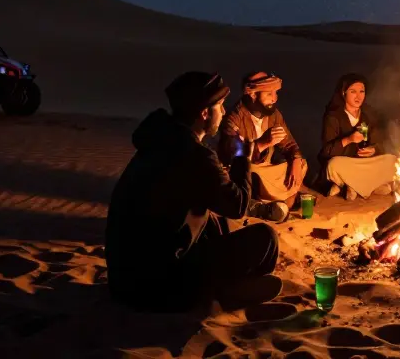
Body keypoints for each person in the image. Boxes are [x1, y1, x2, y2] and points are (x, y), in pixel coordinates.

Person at [104, 72, 280, 312]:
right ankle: (225, 291)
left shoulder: (160, 142)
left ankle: (228, 286)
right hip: (158, 285)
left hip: (125, 280)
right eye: (220, 106)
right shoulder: (193, 155)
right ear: (204, 113)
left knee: (213, 222)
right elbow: (237, 205)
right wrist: (242, 159)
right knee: (266, 238)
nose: (224, 111)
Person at [219, 71, 308, 219]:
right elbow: (233, 156)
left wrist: (296, 160)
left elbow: (290, 144)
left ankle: (279, 199)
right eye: (269, 94)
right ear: (253, 95)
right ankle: (276, 202)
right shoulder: (234, 118)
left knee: (302, 164)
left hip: (266, 170)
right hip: (247, 171)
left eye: (275, 93)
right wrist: (261, 143)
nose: (274, 98)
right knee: (252, 173)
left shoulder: (274, 115)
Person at [317, 73, 398, 200]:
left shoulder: (368, 115)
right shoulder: (333, 117)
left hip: (364, 163)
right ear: (344, 93)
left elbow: (378, 144)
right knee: (333, 165)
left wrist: (373, 149)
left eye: (362, 91)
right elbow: (326, 152)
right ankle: (364, 186)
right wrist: (348, 140)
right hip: (346, 163)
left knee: (393, 160)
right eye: (353, 91)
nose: (358, 96)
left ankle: (351, 186)